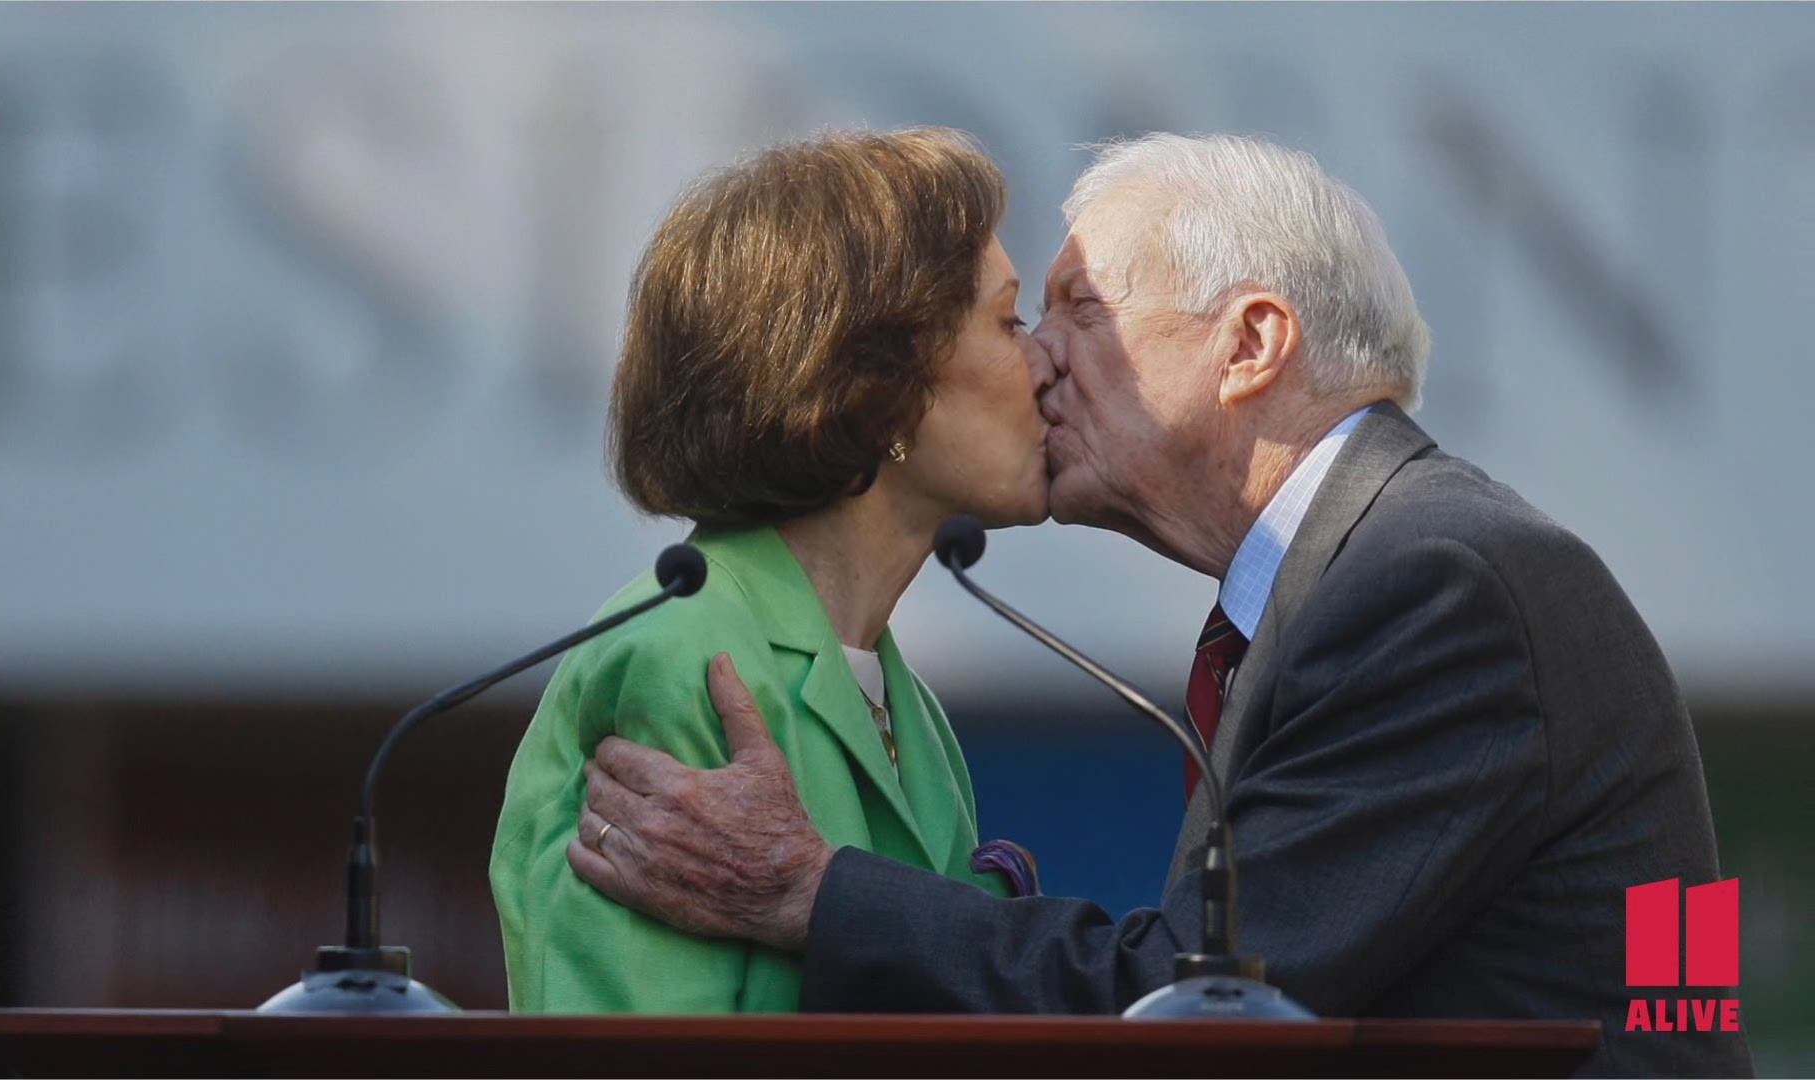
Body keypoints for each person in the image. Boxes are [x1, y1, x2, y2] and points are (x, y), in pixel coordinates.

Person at [564, 134, 1754, 1076]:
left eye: (1081, 310)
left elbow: (1212, 989)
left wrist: (815, 891)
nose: (1042, 360)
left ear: (1249, 345)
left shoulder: (1431, 584)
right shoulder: (1367, 576)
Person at [489, 127, 1054, 1013]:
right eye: (1009, 322)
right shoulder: (681, 654)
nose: (1045, 362)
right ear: (881, 387)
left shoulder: (911, 707)